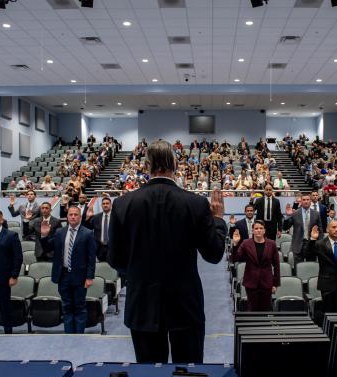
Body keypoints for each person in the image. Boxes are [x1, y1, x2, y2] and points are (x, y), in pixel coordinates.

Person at [107, 139, 227, 364]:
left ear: (147, 165)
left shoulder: (123, 204)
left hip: (142, 304)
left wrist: (140, 273)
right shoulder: (196, 204)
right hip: (185, 305)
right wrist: (218, 220)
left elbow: (115, 258)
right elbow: (214, 254)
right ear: (175, 164)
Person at [40, 206, 97, 334]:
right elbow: (48, 248)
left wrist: (89, 277)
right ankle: (69, 335)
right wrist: (44, 236)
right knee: (66, 306)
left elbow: (91, 258)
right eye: (70, 214)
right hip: (63, 276)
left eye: (75, 214)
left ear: (80, 217)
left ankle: (79, 336)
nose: (73, 217)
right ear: (67, 216)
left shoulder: (87, 233)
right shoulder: (60, 232)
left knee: (79, 307)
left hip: (80, 277)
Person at [303, 220, 337, 314]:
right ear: (327, 229)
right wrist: (312, 239)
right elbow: (307, 254)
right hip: (326, 283)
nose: (336, 230)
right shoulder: (320, 244)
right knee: (328, 311)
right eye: (333, 227)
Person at [231, 220, 280, 311]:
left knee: (265, 309)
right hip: (251, 283)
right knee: (252, 309)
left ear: (264, 230)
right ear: (253, 231)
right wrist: (235, 244)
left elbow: (276, 265)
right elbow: (236, 258)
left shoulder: (272, 244)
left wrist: (275, 284)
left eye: (261, 228)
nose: (258, 230)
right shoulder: (246, 243)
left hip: (267, 283)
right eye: (256, 228)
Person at [283, 193, 322, 265]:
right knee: (298, 268)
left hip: (312, 245)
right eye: (304, 200)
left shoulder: (316, 214)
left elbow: (320, 231)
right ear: (301, 201)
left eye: (307, 200)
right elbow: (285, 227)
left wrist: (319, 244)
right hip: (298, 245)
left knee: (310, 268)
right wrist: (287, 216)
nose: (306, 201)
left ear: (310, 201)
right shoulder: (295, 213)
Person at [85, 196, 113, 262]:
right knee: (101, 270)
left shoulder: (115, 217)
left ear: (111, 205)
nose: (105, 205)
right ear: (101, 205)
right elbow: (87, 229)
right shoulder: (96, 217)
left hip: (113, 248)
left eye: (107, 203)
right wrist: (87, 218)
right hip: (100, 248)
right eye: (103, 204)